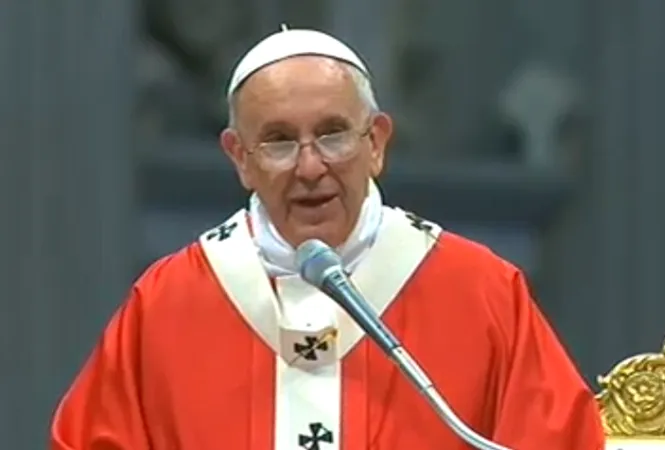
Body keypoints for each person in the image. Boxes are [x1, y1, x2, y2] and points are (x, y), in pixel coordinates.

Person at [50, 27, 605, 450]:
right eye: (279, 141)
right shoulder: (169, 302)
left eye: (333, 134)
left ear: (378, 142)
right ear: (239, 158)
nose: (311, 166)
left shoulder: (479, 291)